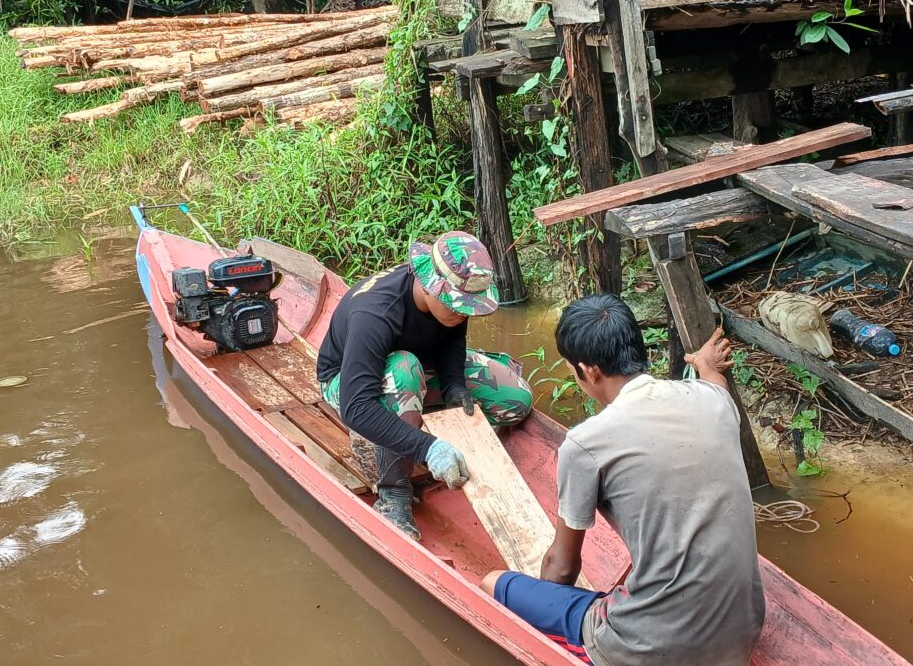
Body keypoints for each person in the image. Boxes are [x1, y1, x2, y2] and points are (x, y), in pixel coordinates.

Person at [481, 295, 765, 666]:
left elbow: (562, 568)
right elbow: (715, 382)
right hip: (745, 630)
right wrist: (705, 364)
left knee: (491, 583)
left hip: (649, 648)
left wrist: (550, 603)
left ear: (589, 370)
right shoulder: (713, 400)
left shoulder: (586, 444)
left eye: (573, 372)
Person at [316, 231, 533, 541]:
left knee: (515, 398)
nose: (463, 314)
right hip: (347, 380)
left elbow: (452, 340)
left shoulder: (451, 309)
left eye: (468, 308)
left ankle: (422, 425)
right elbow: (356, 406)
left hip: (417, 366)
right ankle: (393, 494)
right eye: (458, 306)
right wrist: (427, 448)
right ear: (430, 286)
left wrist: (455, 386)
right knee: (405, 368)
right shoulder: (374, 314)